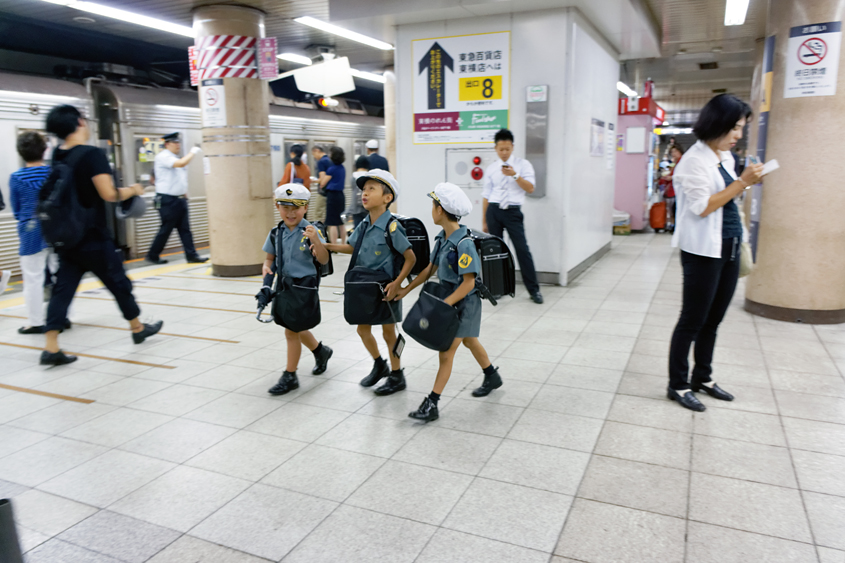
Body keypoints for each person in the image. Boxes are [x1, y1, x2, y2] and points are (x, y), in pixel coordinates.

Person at [41, 104, 163, 366]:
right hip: (93, 236)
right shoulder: (92, 154)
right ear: (78, 123)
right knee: (119, 283)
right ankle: (138, 329)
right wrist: (133, 190)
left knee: (62, 290)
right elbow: (108, 194)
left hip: (68, 237)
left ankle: (51, 345)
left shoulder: (57, 155)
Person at [667, 94, 764, 411]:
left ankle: (703, 377)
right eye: (735, 128)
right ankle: (678, 384)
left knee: (714, 320)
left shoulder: (725, 157)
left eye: (741, 129)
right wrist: (742, 183)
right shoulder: (693, 161)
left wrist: (744, 182)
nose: (738, 135)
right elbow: (703, 206)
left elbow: (728, 197)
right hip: (703, 251)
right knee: (692, 320)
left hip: (731, 245)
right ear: (717, 124)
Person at [398, 183, 503, 422]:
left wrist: (444, 306)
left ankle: (431, 404)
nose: (431, 210)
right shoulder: (443, 238)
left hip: (464, 304)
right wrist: (406, 289)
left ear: (441, 210)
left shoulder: (462, 243)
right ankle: (491, 375)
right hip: (452, 301)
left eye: (433, 205)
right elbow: (429, 269)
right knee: (469, 341)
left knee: (446, 353)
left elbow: (468, 283)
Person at [325, 169, 416, 396]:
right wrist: (325, 245)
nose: (364, 194)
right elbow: (351, 247)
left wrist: (397, 284)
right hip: (365, 287)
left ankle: (397, 375)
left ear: (387, 198)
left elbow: (410, 258)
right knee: (362, 329)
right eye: (363, 190)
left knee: (388, 334)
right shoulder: (364, 224)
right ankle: (379, 364)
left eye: (371, 189)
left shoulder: (392, 227)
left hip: (386, 288)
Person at [258, 184, 333, 395]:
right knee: (295, 328)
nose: (291, 213)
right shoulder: (275, 233)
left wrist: (316, 240)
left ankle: (290, 375)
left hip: (304, 288)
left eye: (296, 207)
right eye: (285, 207)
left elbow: (324, 259)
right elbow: (269, 260)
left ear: (306, 207)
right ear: (277, 206)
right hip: (284, 287)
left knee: (291, 331)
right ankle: (321, 351)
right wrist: (266, 280)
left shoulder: (312, 231)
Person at [9, 131, 64, 334]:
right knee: (61, 274)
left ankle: (36, 322)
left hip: (30, 230)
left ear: (21, 153)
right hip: (56, 228)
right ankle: (62, 317)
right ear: (45, 150)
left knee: (33, 277)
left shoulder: (16, 178)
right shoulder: (54, 173)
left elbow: (16, 208)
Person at [482, 128, 543, 304]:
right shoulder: (492, 168)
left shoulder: (523, 165)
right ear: (495, 148)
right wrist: (484, 220)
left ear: (512, 147)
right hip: (493, 211)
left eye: (507, 149)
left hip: (513, 213)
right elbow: (486, 195)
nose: (504, 152)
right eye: (501, 149)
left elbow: (530, 188)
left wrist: (515, 175)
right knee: (495, 251)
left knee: (522, 250)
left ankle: (534, 290)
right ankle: (497, 288)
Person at [146, 132, 207, 265]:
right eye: (175, 142)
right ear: (167, 144)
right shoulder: (164, 157)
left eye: (178, 142)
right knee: (166, 229)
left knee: (185, 230)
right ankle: (152, 255)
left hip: (179, 199)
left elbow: (179, 178)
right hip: (167, 200)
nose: (178, 145)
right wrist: (193, 152)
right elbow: (180, 164)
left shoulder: (173, 157)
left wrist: (185, 194)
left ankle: (191, 256)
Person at [321, 146, 347, 245]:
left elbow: (323, 183)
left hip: (332, 196)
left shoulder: (331, 169)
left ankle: (334, 244)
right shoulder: (342, 168)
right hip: (341, 195)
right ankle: (343, 243)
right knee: (341, 222)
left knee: (332, 223)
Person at [664, 144, 684, 230]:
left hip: (679, 189)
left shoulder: (682, 161)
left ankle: (676, 226)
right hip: (674, 188)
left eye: (675, 151)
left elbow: (682, 175)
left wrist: (671, 177)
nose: (673, 154)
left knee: (675, 208)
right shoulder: (676, 162)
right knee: (673, 208)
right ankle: (674, 226)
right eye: (672, 152)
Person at [309, 145, 331, 222]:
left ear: (317, 151)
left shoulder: (321, 162)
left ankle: (318, 232)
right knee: (327, 214)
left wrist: (313, 180)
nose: (314, 157)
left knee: (317, 214)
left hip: (323, 192)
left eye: (314, 154)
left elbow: (322, 179)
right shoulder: (329, 160)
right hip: (330, 192)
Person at [346, 156, 369, 228]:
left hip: (355, 206)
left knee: (357, 227)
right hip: (367, 205)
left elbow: (353, 189)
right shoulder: (369, 175)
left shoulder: (353, 176)